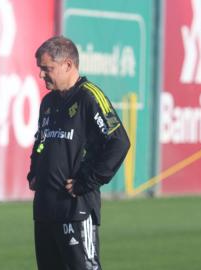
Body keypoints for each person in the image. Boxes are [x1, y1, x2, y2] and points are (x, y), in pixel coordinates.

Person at [27, 36, 130, 270]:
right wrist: (35, 171)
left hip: (75, 210)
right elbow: (41, 140)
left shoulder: (90, 97)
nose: (41, 75)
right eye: (40, 69)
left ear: (68, 65)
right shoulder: (48, 102)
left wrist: (87, 180)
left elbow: (119, 142)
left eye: (47, 68)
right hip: (45, 210)